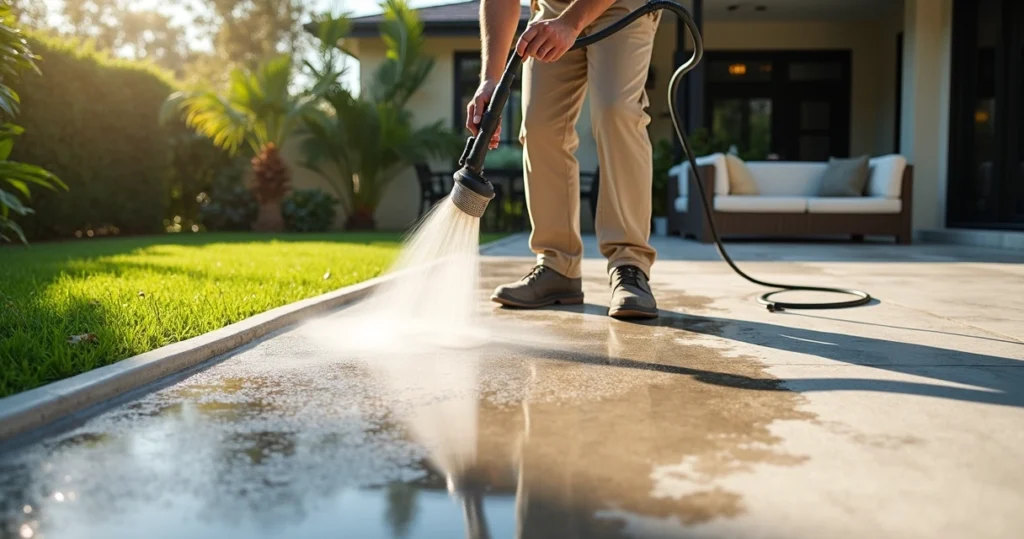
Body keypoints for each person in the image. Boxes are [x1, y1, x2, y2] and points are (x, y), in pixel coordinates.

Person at [468, 0, 662, 320]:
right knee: (540, 126)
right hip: (551, 7)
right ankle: (558, 267)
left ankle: (630, 265)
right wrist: (490, 77)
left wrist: (571, 24)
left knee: (617, 112)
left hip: (620, 5)